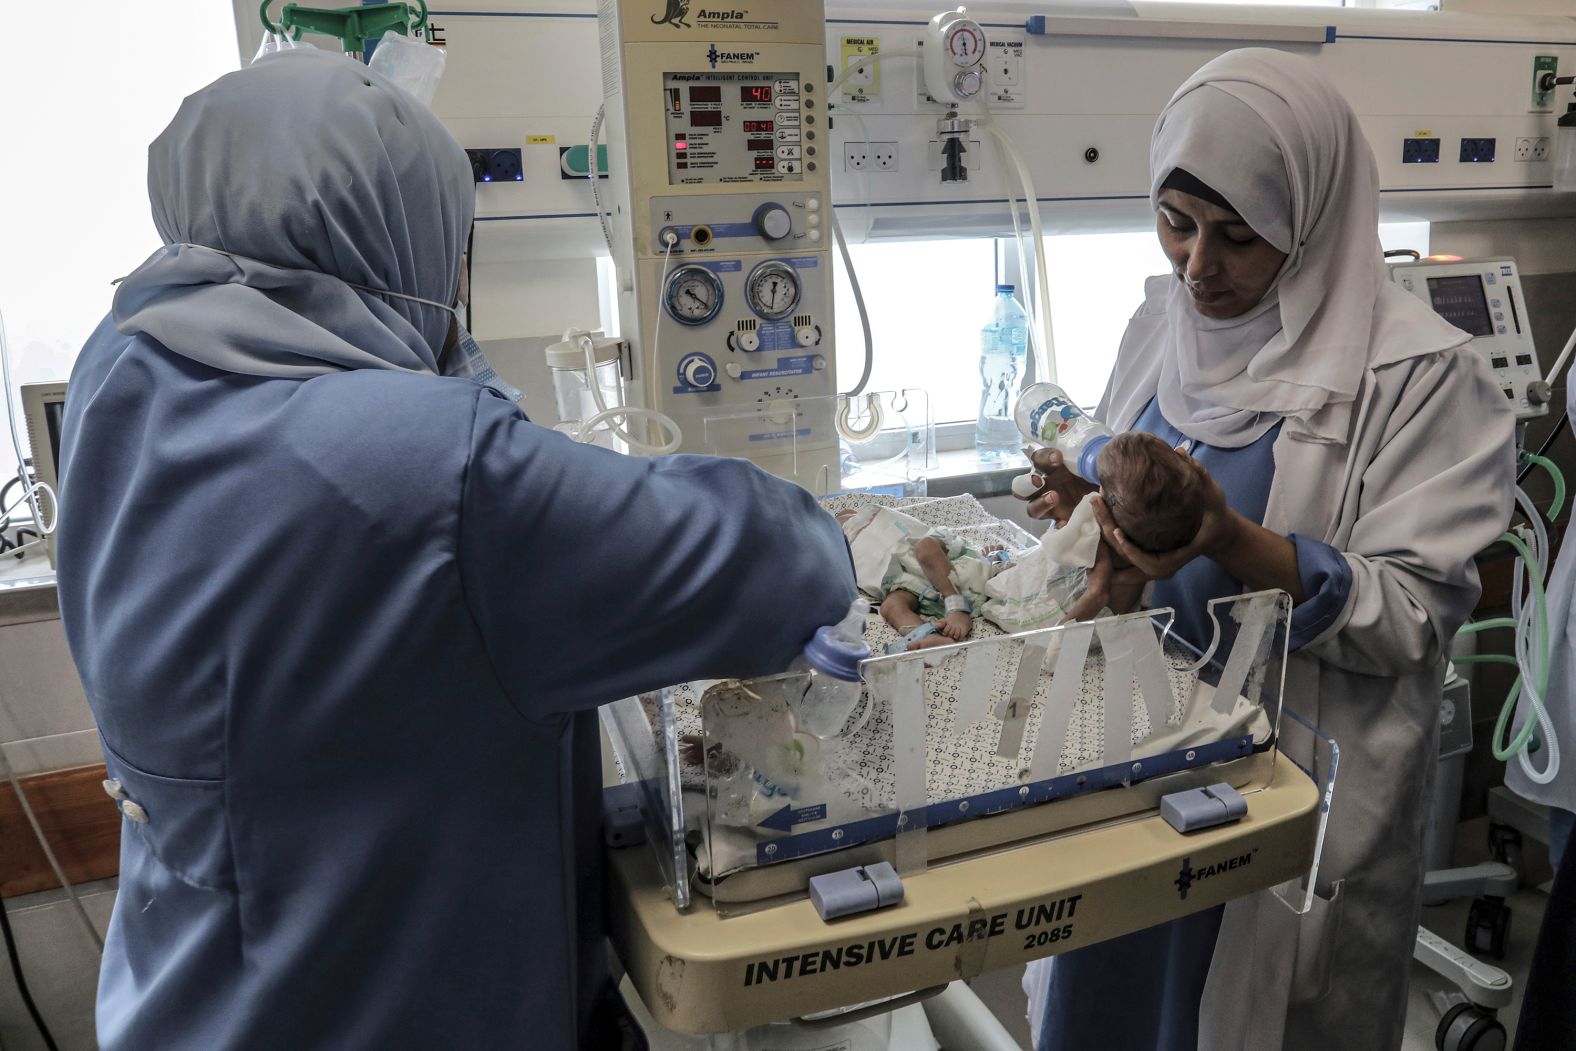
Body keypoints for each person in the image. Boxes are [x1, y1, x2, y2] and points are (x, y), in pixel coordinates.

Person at [53, 48, 854, 1051]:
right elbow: (782, 561)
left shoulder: (118, 370)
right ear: (411, 239)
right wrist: (467, 400)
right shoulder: (434, 464)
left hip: (190, 994)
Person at [1022, 48, 1515, 1051]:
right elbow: (1132, 516)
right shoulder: (1157, 329)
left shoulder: (1418, 378)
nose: (1197, 266)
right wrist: (1088, 512)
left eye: (1238, 237)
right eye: (1176, 224)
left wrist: (1231, 538)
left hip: (1282, 805)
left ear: (1311, 223)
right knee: (1100, 1014)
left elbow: (1412, 619)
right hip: (1130, 780)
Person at [847, 432, 1203, 651]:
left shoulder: (1111, 561)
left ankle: (919, 637)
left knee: (899, 601)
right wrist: (1000, 560)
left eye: (1102, 489)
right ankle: (919, 637)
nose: (1093, 495)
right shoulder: (1100, 539)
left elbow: (1073, 621)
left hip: (1052, 607)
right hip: (983, 580)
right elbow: (1040, 559)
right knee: (898, 604)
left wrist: (1086, 607)